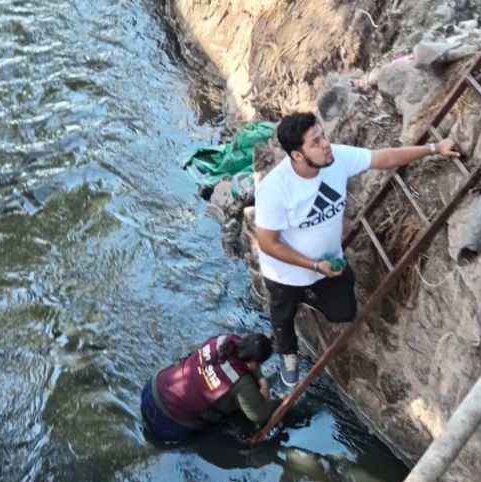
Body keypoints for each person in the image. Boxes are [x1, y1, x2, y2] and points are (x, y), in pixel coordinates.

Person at [254, 112, 461, 386]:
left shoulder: (336, 158)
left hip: (330, 262)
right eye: (315, 142)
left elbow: (382, 158)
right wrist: (313, 266)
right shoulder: (275, 190)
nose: (325, 144)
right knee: (283, 316)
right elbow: (268, 243)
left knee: (344, 313)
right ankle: (288, 354)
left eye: (323, 136)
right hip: (286, 273)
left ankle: (307, 297)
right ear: (297, 155)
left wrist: (434, 148)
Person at [140, 333, 283, 444]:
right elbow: (258, 414)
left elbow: (247, 363)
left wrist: (259, 377)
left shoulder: (226, 341)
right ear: (254, 363)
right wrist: (277, 397)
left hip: (153, 387)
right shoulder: (241, 383)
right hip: (168, 423)